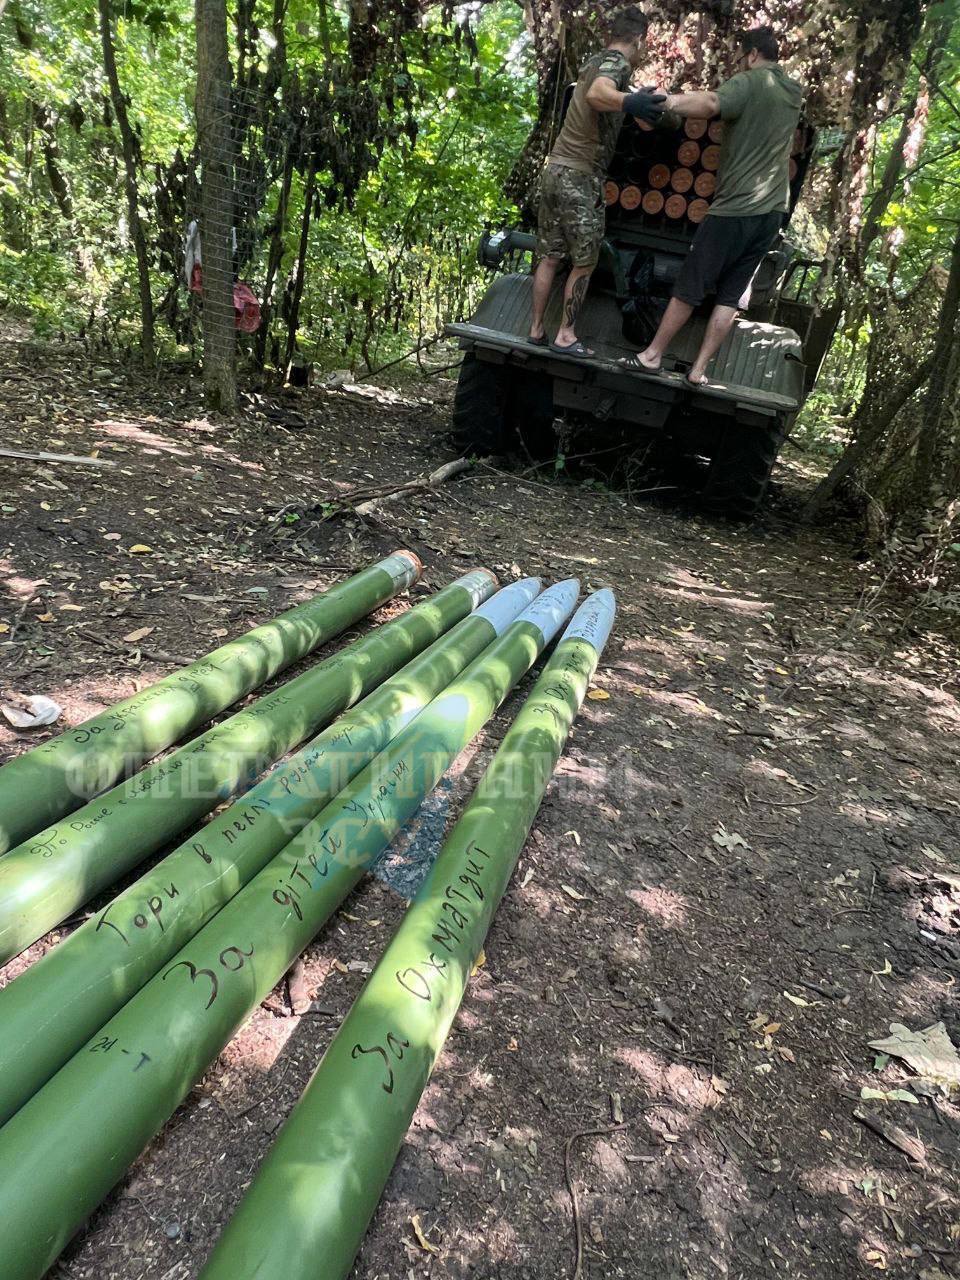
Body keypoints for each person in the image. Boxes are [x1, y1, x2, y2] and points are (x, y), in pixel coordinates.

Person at [622, 26, 804, 386]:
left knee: (690, 285)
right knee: (730, 295)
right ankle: (699, 369)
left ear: (752, 54)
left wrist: (666, 102)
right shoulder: (793, 91)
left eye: (741, 57)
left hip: (734, 209)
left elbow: (710, 104)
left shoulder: (749, 82)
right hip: (771, 213)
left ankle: (652, 354)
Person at [529, 7, 665, 357]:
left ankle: (536, 330)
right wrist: (628, 100)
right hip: (580, 175)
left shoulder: (593, 61)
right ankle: (565, 336)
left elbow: (600, 98)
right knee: (585, 260)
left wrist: (635, 103)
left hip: (555, 169)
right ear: (638, 39)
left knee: (549, 256)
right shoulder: (616, 65)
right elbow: (597, 95)